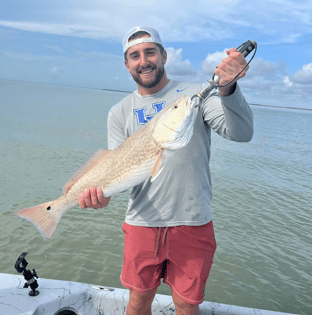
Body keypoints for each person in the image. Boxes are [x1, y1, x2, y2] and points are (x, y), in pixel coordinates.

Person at [79, 26, 254, 315]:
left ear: (163, 55)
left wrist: (228, 88)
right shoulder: (119, 112)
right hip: (141, 223)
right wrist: (102, 196)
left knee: (187, 305)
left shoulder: (194, 95)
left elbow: (242, 132)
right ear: (127, 64)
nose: (143, 60)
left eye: (150, 52)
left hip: (193, 220)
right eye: (134, 55)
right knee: (137, 301)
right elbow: (117, 171)